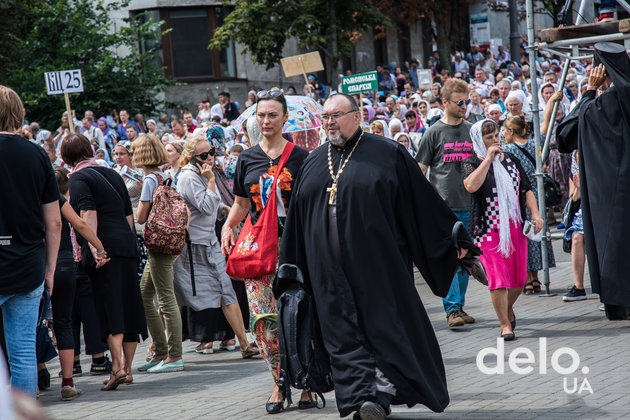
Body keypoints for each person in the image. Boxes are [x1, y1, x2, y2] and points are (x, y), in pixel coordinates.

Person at [278, 92, 477, 419]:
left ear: (357, 116)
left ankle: (378, 395)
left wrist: (454, 238)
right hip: (326, 273)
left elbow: (421, 205)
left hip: (377, 267)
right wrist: (291, 270)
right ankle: (361, 399)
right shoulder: (313, 162)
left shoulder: (387, 154)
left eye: (337, 115)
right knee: (341, 337)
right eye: (326, 116)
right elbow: (297, 224)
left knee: (382, 330)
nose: (330, 122)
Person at [220, 90, 310, 414]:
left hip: (297, 250)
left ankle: (305, 383)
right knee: (263, 321)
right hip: (259, 251)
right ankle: (278, 381)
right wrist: (228, 226)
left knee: (300, 316)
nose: (266, 121)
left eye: (273, 115)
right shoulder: (246, 158)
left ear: (286, 118)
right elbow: (242, 203)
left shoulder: (301, 157)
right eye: (261, 115)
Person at [62, 133, 147, 390]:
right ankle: (128, 369)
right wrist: (128, 241)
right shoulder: (112, 173)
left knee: (110, 307)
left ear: (66, 157)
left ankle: (117, 368)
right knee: (129, 304)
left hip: (103, 247)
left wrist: (95, 247)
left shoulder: (76, 178)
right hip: (125, 243)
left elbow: (88, 214)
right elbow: (127, 214)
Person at [557, 42, 630, 319]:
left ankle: (619, 303)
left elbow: (565, 136)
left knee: (613, 247)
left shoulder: (602, 104)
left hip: (609, 192)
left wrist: (589, 90)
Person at [0, 85, 61, 397]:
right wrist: (49, 269)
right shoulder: (36, 154)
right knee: (23, 352)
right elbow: (54, 221)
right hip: (28, 264)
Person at [172, 136, 257, 358]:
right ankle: (160, 348)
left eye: (211, 152)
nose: (209, 157)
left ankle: (245, 343)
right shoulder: (190, 176)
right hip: (194, 247)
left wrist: (227, 210)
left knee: (226, 290)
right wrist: (210, 181)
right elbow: (206, 206)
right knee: (180, 296)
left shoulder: (201, 173)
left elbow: (213, 205)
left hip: (209, 242)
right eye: (204, 155)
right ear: (192, 158)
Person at [462, 120, 543, 340]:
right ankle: (505, 324)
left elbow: (526, 189)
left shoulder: (511, 159)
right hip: (488, 230)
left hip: (516, 227)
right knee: (498, 279)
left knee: (518, 280)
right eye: (488, 137)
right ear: (479, 140)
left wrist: (535, 214)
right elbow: (471, 185)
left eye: (496, 135)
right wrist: (488, 159)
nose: (494, 140)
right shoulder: (471, 162)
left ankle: (507, 308)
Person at [416, 78, 476, 328]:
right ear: (444, 102)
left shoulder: (473, 129)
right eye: (459, 102)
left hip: (471, 205)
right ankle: (451, 309)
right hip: (444, 208)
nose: (464, 106)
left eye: (467, 101)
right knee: (451, 258)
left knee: (467, 260)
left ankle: (459, 306)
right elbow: (420, 170)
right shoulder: (433, 133)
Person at [52, 166, 109, 400]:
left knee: (33, 326)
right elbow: (80, 224)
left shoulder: (19, 194)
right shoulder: (53, 196)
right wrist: (100, 247)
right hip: (65, 262)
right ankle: (69, 379)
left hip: (32, 262)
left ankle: (34, 380)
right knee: (66, 320)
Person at [131, 135, 186, 374]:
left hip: (157, 243)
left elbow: (142, 217)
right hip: (168, 240)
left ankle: (174, 355)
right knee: (145, 295)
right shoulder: (165, 176)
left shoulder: (148, 181)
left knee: (165, 298)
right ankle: (162, 351)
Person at [503, 116, 556, 294]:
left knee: (524, 235)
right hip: (538, 193)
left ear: (511, 131)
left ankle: (527, 279)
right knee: (536, 234)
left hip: (520, 193)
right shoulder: (535, 144)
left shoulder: (508, 148)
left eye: (504, 130)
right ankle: (536, 278)